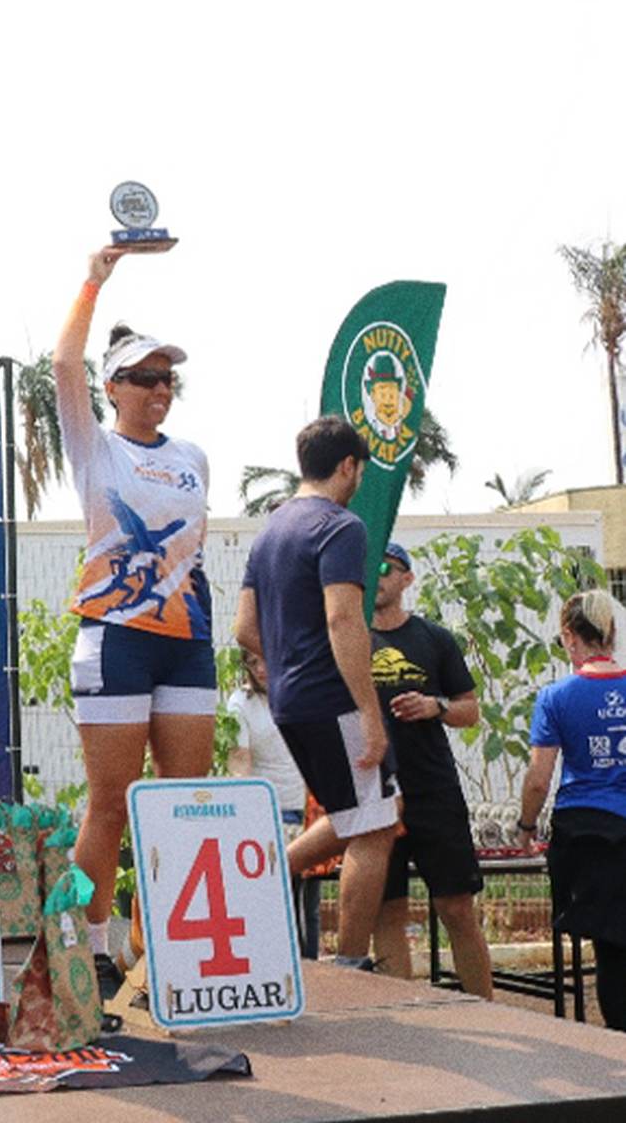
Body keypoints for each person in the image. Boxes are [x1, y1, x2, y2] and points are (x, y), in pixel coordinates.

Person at [52, 248, 214, 996]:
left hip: (186, 642)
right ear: (112, 387)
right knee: (111, 803)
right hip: (114, 636)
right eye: (143, 378)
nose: (158, 389)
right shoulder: (95, 447)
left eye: (166, 378)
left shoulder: (192, 457)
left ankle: (157, 948)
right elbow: (63, 364)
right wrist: (95, 277)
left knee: (180, 803)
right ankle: (87, 947)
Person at [236, 416, 396, 971]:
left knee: (357, 812)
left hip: (289, 701)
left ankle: (267, 871)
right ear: (348, 466)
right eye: (360, 472)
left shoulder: (271, 531)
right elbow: (343, 620)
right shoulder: (340, 526)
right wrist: (370, 714)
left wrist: (287, 664)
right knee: (375, 825)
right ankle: (350, 963)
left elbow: (244, 628)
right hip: (333, 698)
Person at [367, 542, 489, 996]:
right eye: (370, 567)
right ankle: (402, 1016)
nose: (377, 575)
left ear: (407, 579)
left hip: (433, 789)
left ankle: (486, 1010)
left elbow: (469, 710)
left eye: (387, 567)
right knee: (387, 912)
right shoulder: (348, 638)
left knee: (456, 907)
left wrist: (434, 706)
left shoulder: (434, 639)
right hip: (376, 791)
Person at [519, 589, 626, 1030]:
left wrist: (526, 825)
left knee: (610, 945)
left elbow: (538, 779)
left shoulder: (556, 697)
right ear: (612, 633)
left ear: (568, 637)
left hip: (586, 834)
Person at [224, 650, 321, 958]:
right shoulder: (241, 703)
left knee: (307, 905)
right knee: (273, 901)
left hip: (306, 813)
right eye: (252, 662)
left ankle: (310, 969)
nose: (261, 668)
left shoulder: (301, 692)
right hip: (267, 815)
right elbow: (239, 762)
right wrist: (245, 815)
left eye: (265, 658)